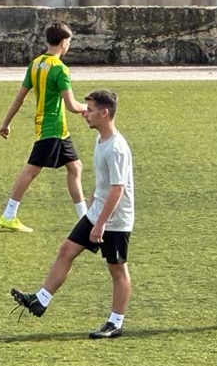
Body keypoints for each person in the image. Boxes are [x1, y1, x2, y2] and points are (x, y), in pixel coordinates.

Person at [10, 90, 134, 339]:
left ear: (104, 112)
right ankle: (41, 299)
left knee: (117, 270)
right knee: (67, 250)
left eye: (89, 109)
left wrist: (99, 225)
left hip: (115, 220)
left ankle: (115, 323)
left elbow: (118, 190)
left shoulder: (116, 148)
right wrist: (91, 205)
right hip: (98, 212)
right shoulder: (101, 141)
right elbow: (105, 184)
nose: (84, 114)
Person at [0, 21, 87, 233]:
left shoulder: (36, 63)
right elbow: (72, 105)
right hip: (52, 128)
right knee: (31, 170)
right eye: (69, 42)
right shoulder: (60, 70)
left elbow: (20, 98)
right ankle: (9, 214)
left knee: (75, 167)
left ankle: (84, 218)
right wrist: (90, 108)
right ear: (64, 42)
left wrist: (6, 122)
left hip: (56, 129)